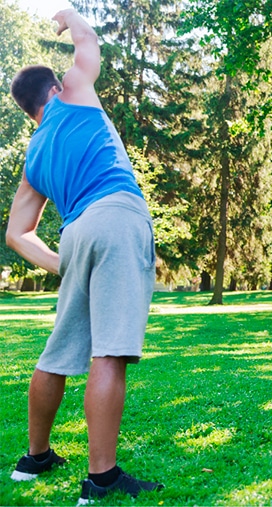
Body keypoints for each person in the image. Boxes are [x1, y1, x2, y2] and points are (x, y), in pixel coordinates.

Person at [7, 9, 162, 503]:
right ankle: (101, 480)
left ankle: (34, 459)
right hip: (116, 215)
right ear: (54, 89)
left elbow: (17, 233)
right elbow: (89, 41)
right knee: (109, 349)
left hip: (75, 231)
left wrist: (61, 263)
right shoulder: (72, 94)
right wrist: (69, 14)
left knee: (59, 350)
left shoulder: (33, 155)